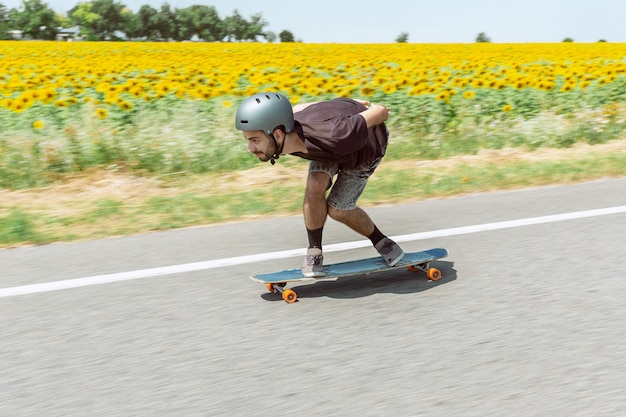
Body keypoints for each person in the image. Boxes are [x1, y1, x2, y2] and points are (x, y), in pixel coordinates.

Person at [235, 92, 404, 277]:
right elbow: (300, 107)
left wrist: (371, 108)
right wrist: (348, 101)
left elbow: (380, 112)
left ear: (277, 134)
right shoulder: (287, 126)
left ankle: (383, 242)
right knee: (315, 184)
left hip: (365, 148)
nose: (250, 149)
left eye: (255, 141)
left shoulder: (338, 133)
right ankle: (314, 252)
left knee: (338, 209)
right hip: (328, 148)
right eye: (248, 140)